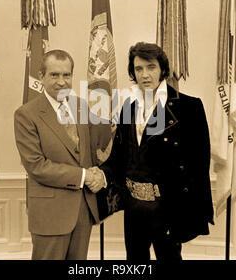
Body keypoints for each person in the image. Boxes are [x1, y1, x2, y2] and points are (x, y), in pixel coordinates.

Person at [99, 42, 214, 260]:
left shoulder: (189, 108)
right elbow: (119, 156)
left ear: (162, 69)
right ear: (132, 73)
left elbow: (199, 165)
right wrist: (99, 174)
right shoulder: (129, 107)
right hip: (133, 206)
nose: (145, 74)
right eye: (138, 69)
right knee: (134, 261)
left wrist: (187, 212)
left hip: (168, 207)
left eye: (151, 67)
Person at [14, 49, 107, 260]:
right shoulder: (26, 114)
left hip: (83, 210)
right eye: (54, 75)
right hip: (50, 213)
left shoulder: (81, 106)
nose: (61, 82)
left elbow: (90, 153)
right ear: (41, 76)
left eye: (66, 75)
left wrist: (99, 174)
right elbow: (36, 166)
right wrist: (84, 176)